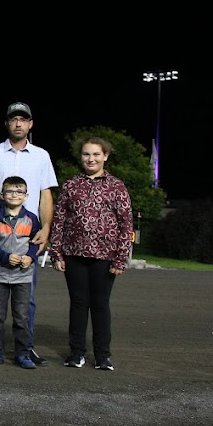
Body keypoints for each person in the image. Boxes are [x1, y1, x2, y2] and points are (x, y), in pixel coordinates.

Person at [0, 101, 58, 365]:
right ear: (7, 123)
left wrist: (46, 228)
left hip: (27, 236)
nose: (18, 124)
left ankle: (25, 348)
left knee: (26, 301)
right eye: (14, 119)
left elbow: (46, 193)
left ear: (30, 124)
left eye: (23, 119)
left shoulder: (41, 155)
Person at [49, 137, 133, 371]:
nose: (91, 159)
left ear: (105, 156)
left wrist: (121, 258)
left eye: (96, 154)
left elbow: (126, 223)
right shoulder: (71, 184)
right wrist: (56, 253)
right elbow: (60, 219)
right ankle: (76, 353)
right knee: (78, 304)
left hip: (105, 256)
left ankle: (103, 356)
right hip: (74, 254)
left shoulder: (117, 186)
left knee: (100, 305)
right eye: (86, 154)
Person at [0, 176, 42, 368]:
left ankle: (23, 353)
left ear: (26, 196)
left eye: (19, 191)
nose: (14, 195)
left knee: (21, 316)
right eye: (10, 191)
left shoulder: (31, 218)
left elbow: (36, 243)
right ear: (2, 194)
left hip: (23, 275)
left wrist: (30, 257)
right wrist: (5, 257)